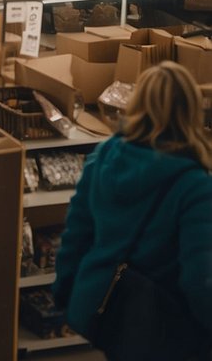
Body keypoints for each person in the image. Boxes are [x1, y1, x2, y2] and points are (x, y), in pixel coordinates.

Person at [54, 61, 211, 357]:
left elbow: (76, 235)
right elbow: (199, 278)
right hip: (163, 325)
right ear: (191, 111)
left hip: (105, 304)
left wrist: (66, 292)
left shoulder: (104, 156)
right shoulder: (194, 184)